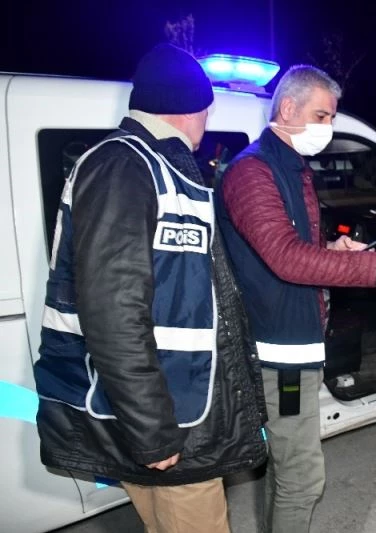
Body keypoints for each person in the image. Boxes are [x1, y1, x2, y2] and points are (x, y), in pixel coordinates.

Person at [33, 43, 268, 533]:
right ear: (194, 110)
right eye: (207, 110)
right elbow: (114, 313)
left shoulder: (156, 167)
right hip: (168, 424)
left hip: (175, 410)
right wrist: (153, 433)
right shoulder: (124, 167)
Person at [215, 64, 376, 532]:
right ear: (288, 108)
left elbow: (291, 251)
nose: (327, 128)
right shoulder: (254, 173)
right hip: (283, 355)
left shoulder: (289, 167)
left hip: (296, 343)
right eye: (321, 115)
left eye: (331, 117)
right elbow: (286, 259)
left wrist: (332, 251)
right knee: (302, 477)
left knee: (288, 466)